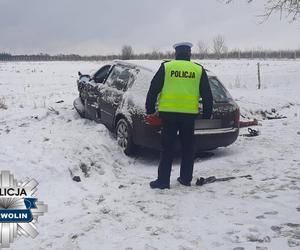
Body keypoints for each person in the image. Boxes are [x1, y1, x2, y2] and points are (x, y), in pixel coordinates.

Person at [145, 42, 213, 189]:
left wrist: (149, 108)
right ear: (189, 54)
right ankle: (185, 178)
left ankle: (163, 181)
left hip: (168, 115)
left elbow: (153, 88)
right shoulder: (198, 69)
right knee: (188, 147)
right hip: (189, 116)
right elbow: (207, 93)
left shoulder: (167, 67)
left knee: (167, 147)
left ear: (176, 54)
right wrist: (207, 113)